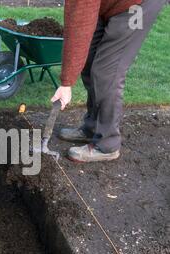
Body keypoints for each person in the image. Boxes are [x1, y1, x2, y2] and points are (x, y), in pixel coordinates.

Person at [51, 0, 167, 162]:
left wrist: (66, 83)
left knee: (107, 72)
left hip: (138, 5)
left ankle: (107, 144)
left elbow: (79, 21)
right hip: (111, 4)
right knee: (89, 59)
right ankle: (92, 128)